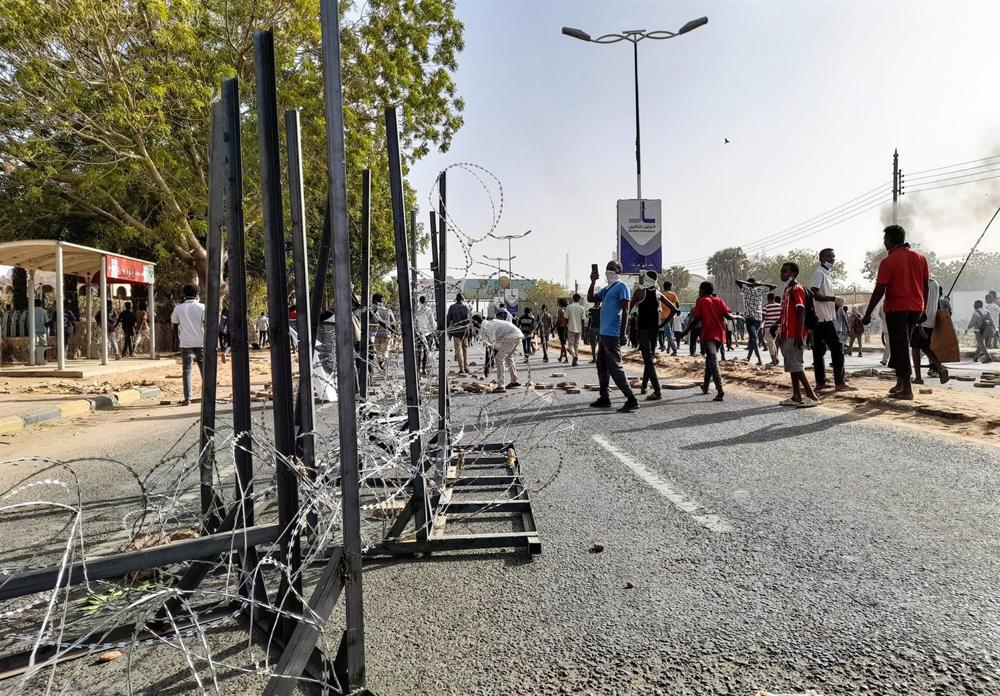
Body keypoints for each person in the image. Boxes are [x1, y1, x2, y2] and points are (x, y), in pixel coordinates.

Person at [862, 225, 929, 400]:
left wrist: (868, 313)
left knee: (900, 347)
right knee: (902, 346)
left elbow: (880, 289)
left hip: (897, 308)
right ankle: (900, 383)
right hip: (915, 307)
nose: (884, 242)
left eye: (885, 239)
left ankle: (907, 389)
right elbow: (925, 285)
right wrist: (924, 307)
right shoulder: (920, 257)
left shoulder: (888, 262)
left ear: (890, 240)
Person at [587, 260, 639, 413]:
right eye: (608, 268)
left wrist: (623, 333)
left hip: (612, 334)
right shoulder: (608, 289)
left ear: (619, 271)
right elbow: (591, 299)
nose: (609, 270)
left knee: (615, 367)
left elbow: (626, 311)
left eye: (613, 268)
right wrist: (592, 281)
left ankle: (631, 399)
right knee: (601, 366)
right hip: (603, 334)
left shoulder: (621, 287)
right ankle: (604, 397)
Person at [677, 281, 736, 401]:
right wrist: (738, 317)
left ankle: (720, 390)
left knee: (713, 360)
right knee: (710, 359)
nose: (699, 291)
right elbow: (728, 315)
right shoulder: (718, 300)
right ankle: (705, 386)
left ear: (703, 290)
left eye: (700, 289)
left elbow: (695, 319)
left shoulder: (701, 301)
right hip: (720, 335)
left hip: (709, 335)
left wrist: (685, 332)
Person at [630, 270, 679, 400]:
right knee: (649, 359)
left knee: (647, 359)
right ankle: (644, 385)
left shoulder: (639, 293)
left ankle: (657, 390)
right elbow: (674, 309)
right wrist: (662, 325)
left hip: (642, 329)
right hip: (654, 331)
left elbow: (627, 309)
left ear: (646, 279)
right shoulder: (658, 294)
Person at [810, 248, 852, 392]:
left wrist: (835, 304)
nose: (832, 259)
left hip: (825, 317)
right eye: (828, 256)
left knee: (819, 350)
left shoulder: (826, 274)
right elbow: (813, 294)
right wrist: (833, 299)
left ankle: (820, 382)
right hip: (822, 319)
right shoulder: (819, 273)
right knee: (837, 348)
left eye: (833, 256)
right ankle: (839, 382)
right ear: (821, 258)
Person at [779, 262, 820, 408]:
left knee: (796, 364)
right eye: (782, 272)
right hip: (787, 333)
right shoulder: (786, 290)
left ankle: (811, 396)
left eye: (785, 272)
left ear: (793, 274)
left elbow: (801, 311)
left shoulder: (797, 288)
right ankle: (796, 395)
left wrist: (798, 334)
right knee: (792, 365)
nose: (782, 274)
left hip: (795, 333)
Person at [911, 276, 950, 385]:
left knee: (915, 349)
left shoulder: (921, 282)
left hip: (921, 320)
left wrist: (919, 323)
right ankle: (939, 367)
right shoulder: (935, 283)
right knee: (925, 347)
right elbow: (937, 304)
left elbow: (920, 302)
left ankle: (918, 377)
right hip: (931, 321)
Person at [170, 284, 205, 406]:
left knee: (187, 370)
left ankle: (187, 398)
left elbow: (174, 326)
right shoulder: (202, 307)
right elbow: (207, 324)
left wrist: (178, 340)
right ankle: (207, 396)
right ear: (197, 294)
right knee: (204, 369)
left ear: (184, 294)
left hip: (185, 343)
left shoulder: (178, 308)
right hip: (201, 342)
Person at [473, 314, 523, 391]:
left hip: (512, 336)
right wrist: (488, 363)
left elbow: (492, 346)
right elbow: (488, 347)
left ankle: (501, 386)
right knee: (508, 357)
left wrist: (488, 364)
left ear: (476, 322)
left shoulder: (488, 327)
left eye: (472, 323)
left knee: (499, 359)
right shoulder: (485, 327)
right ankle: (514, 381)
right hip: (516, 335)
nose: (472, 326)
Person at [735, 277, 775, 366]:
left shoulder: (746, 289)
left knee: (753, 339)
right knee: (753, 339)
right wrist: (759, 285)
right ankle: (748, 358)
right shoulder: (759, 290)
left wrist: (750, 284)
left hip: (751, 318)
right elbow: (773, 287)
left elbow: (737, 281)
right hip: (758, 319)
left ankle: (759, 359)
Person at [370, 293, 396, 371]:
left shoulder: (372, 310)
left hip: (375, 335)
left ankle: (381, 365)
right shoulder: (388, 311)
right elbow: (393, 323)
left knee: (378, 353)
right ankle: (382, 366)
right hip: (386, 334)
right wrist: (394, 333)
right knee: (384, 352)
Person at [446, 293, 470, 374]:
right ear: (462, 299)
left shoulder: (452, 307)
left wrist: (448, 331)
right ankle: (466, 366)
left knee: (458, 350)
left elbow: (448, 319)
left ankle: (461, 368)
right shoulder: (466, 307)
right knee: (465, 349)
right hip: (465, 331)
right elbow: (469, 320)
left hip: (456, 331)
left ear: (456, 299)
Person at [415, 295, 436, 375]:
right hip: (428, 333)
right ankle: (424, 369)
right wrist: (434, 331)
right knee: (426, 351)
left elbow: (416, 322)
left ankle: (417, 369)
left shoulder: (417, 310)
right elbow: (432, 321)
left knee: (419, 352)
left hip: (419, 333)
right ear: (426, 301)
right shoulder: (428, 309)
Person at [659, 281, 680, 354]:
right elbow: (677, 305)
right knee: (669, 333)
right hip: (672, 316)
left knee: (668, 333)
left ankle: (674, 350)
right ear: (669, 287)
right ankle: (669, 348)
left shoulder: (660, 294)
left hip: (663, 316)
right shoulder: (673, 294)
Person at [761, 293, 782, 366]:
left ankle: (774, 361)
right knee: (773, 343)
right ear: (774, 298)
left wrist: (759, 326)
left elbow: (763, 318)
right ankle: (776, 359)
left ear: (767, 298)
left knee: (770, 344)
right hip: (778, 327)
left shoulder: (766, 306)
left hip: (769, 328)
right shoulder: (780, 306)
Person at [566, 293, 587, 366]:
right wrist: (584, 331)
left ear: (573, 299)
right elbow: (583, 320)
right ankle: (575, 359)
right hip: (579, 329)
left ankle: (574, 356)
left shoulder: (569, 307)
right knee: (576, 345)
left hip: (571, 328)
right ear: (579, 299)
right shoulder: (582, 308)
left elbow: (566, 318)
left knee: (570, 345)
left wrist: (566, 328)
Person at [555, 298, 569, 362]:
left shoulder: (560, 310)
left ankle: (566, 358)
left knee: (563, 344)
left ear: (560, 304)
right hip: (566, 328)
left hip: (561, 327)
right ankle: (560, 357)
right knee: (562, 343)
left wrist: (553, 328)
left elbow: (559, 320)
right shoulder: (567, 310)